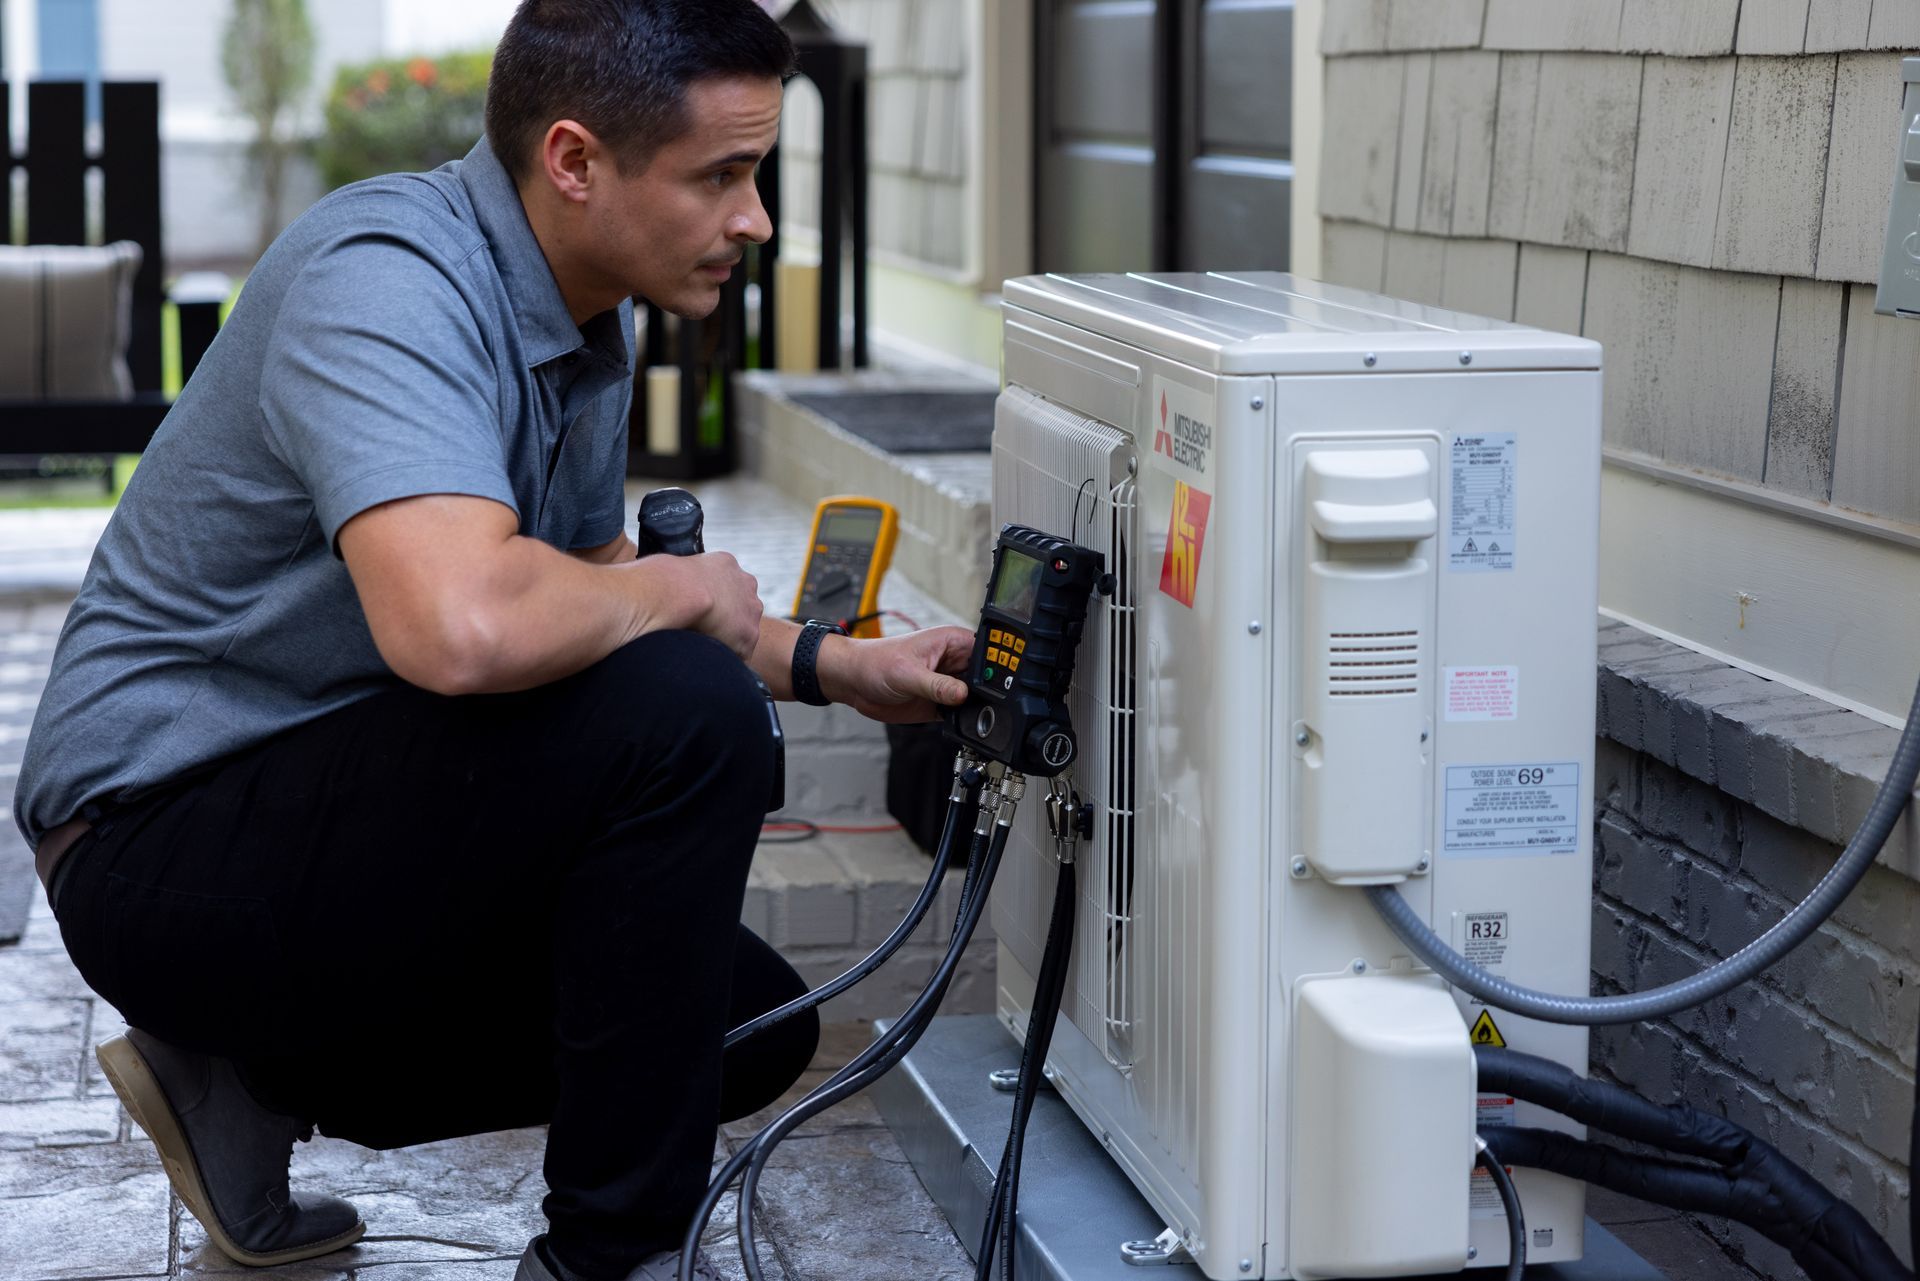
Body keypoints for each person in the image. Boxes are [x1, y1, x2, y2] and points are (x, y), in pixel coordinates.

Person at [11, 3, 974, 1279]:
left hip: (329, 808)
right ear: (575, 161)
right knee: (685, 710)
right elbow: (465, 627)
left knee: (742, 1024)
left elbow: (577, 588)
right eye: (723, 176)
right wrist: (688, 608)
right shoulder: (386, 277)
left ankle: (245, 1077)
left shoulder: (580, 315)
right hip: (155, 840)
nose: (758, 221)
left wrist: (830, 664)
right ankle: (605, 1262)